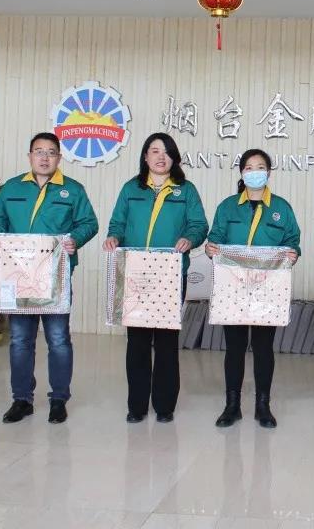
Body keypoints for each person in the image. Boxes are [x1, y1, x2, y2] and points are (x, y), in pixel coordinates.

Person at [0, 132, 98, 424]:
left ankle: (59, 399)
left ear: (59, 158)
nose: (44, 157)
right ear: (30, 156)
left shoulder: (72, 190)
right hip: (17, 276)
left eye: (51, 152)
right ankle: (21, 399)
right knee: (20, 339)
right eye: (39, 151)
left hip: (55, 276)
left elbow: (89, 223)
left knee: (58, 339)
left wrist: (75, 239)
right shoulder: (12, 188)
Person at [103, 133, 208, 424]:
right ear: (145, 156)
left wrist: (190, 238)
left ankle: (164, 405)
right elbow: (117, 223)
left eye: (166, 152)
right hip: (135, 271)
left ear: (174, 158)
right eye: (154, 151)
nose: (161, 157)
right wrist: (113, 237)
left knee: (166, 340)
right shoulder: (131, 188)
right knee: (137, 341)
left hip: (170, 274)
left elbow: (199, 225)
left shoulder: (186, 190)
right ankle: (137, 405)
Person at [205, 149, 301, 429]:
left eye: (260, 167)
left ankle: (263, 406)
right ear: (242, 173)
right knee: (234, 348)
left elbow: (292, 241)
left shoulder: (281, 208)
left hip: (267, 288)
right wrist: (211, 248)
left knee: (263, 348)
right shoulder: (227, 207)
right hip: (233, 286)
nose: (255, 172)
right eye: (249, 167)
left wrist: (293, 252)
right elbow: (215, 238)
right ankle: (232, 406)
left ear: (268, 173)